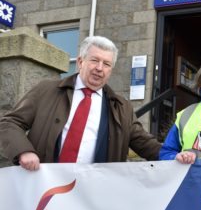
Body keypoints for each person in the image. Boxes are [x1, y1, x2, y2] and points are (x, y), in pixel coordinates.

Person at [0, 36, 162, 170]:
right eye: (94, 60)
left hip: (90, 195)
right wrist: (24, 151)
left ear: (110, 70)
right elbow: (9, 123)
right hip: (44, 186)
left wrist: (174, 157)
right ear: (80, 62)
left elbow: (144, 142)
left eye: (106, 64)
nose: (99, 68)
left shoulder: (122, 107)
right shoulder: (46, 91)